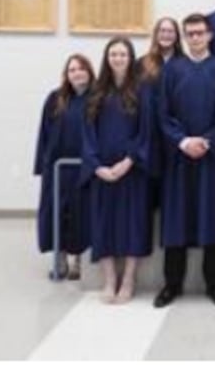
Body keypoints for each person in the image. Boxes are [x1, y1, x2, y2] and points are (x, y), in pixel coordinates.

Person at [153, 14, 215, 309]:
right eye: (190, 34)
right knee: (176, 222)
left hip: (211, 159)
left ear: (210, 35)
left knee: (213, 220)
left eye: (200, 33)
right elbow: (163, 114)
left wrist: (207, 141)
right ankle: (171, 284)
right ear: (184, 38)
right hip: (179, 159)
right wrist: (184, 141)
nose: (196, 38)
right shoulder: (172, 70)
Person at [81, 37, 152, 304]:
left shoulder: (142, 91)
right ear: (107, 58)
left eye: (123, 54)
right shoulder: (97, 92)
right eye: (113, 54)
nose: (118, 58)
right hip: (103, 173)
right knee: (104, 226)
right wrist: (97, 166)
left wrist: (128, 161)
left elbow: (146, 131)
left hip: (131, 171)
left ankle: (129, 280)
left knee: (133, 225)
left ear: (130, 58)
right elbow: (87, 135)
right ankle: (110, 280)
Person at [34, 53, 96, 280]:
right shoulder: (55, 99)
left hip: (85, 168)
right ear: (66, 75)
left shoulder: (98, 98)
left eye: (81, 68)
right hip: (58, 169)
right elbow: (44, 133)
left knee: (82, 214)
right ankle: (58, 260)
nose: (77, 73)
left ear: (90, 72)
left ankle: (79, 260)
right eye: (72, 70)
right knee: (56, 213)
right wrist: (42, 165)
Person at [136, 17, 184, 210]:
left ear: (177, 36)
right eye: (162, 31)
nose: (166, 35)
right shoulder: (142, 63)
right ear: (156, 34)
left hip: (175, 131)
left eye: (170, 31)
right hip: (150, 131)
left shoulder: (184, 63)